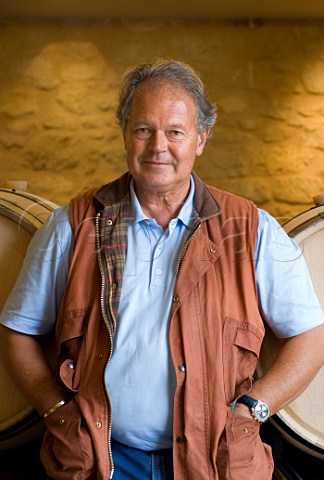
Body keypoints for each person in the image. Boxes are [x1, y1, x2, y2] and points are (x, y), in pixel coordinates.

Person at [0, 59, 324, 480]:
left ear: (201, 139)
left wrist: (253, 410)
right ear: (125, 134)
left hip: (216, 463)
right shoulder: (73, 225)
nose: (158, 146)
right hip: (100, 462)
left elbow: (310, 336)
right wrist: (57, 411)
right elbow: (18, 331)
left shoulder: (252, 229)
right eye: (143, 130)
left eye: (175, 132)